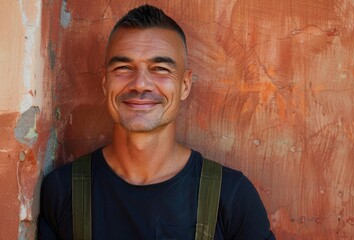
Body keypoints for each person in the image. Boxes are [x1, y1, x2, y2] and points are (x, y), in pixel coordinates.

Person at [38, 4, 275, 240]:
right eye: (123, 67)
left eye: (160, 69)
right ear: (104, 81)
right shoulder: (62, 191)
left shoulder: (231, 195)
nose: (140, 84)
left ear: (184, 84)